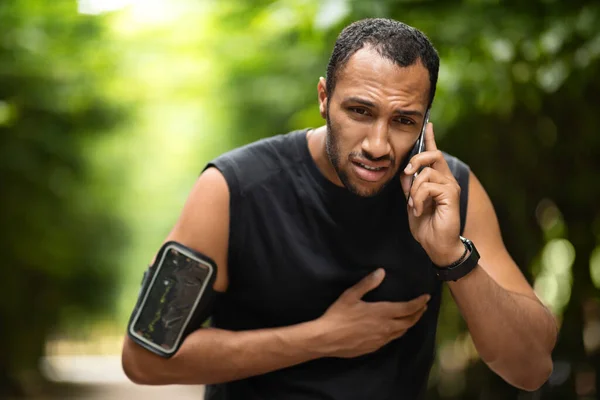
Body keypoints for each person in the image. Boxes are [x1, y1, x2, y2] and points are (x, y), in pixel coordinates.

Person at [121, 18, 557, 399]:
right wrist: (321, 338)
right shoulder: (231, 190)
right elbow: (144, 358)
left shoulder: (451, 191)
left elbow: (531, 369)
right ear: (324, 97)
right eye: (360, 111)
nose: (377, 145)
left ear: (425, 122)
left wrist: (452, 256)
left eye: (404, 120)